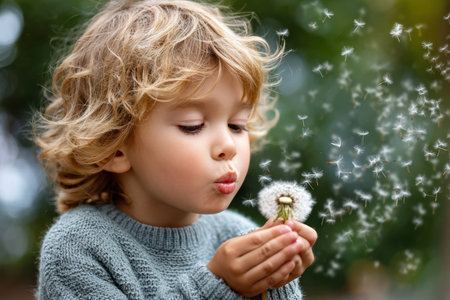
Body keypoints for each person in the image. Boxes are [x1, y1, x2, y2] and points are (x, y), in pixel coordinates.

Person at [34, 0, 317, 298]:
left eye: (237, 124)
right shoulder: (79, 248)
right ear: (113, 147)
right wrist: (218, 286)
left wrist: (277, 279)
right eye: (192, 125)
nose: (228, 146)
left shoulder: (238, 234)